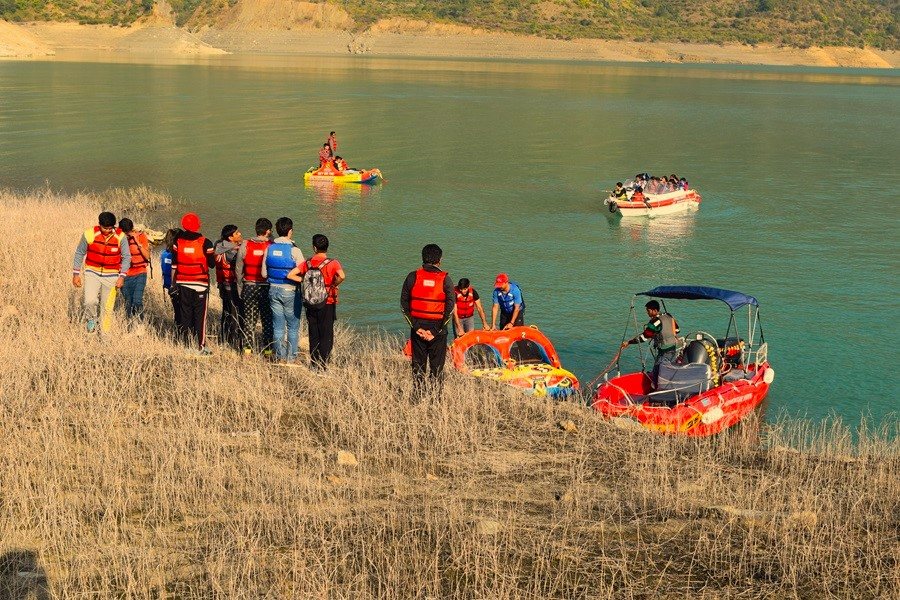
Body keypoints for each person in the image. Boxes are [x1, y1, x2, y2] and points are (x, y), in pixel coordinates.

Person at [400, 244, 454, 399]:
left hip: (418, 330)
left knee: (418, 366)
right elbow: (450, 308)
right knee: (437, 368)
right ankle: (435, 399)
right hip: (438, 331)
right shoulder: (446, 280)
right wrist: (435, 331)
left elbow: (404, 305)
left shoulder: (412, 277)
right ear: (440, 260)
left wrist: (416, 328)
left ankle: (418, 396)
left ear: (423, 258)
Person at [288, 233, 345, 369]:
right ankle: (323, 365)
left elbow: (290, 275)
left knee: (313, 333)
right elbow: (342, 276)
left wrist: (305, 281)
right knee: (326, 333)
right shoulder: (333, 263)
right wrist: (333, 284)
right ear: (327, 247)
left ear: (314, 248)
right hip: (328, 302)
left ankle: (314, 363)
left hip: (310, 302)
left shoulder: (307, 263)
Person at [72, 211, 130, 333]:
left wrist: (122, 277)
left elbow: (126, 257)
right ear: (99, 225)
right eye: (105, 228)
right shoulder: (89, 234)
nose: (108, 231)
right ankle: (91, 319)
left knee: (107, 307)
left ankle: (105, 334)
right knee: (90, 301)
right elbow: (79, 253)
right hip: (92, 272)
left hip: (112, 276)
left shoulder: (121, 237)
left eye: (110, 228)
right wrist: (76, 274)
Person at [171, 213, 215, 354]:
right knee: (200, 316)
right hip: (200, 284)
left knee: (185, 314)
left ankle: (186, 345)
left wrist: (173, 284)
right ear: (198, 225)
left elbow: (174, 264)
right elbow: (212, 264)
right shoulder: (205, 242)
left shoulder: (177, 242)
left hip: (182, 283)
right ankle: (200, 347)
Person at [263, 217, 305, 362]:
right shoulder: (295, 250)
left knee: (278, 326)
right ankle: (291, 358)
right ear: (290, 231)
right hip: (290, 291)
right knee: (292, 327)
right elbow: (302, 271)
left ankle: (279, 356)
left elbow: (264, 273)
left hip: (273, 289)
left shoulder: (269, 248)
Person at [621, 300, 680, 387]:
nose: (647, 313)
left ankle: (658, 390)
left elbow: (643, 337)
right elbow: (677, 330)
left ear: (655, 310)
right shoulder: (669, 316)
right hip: (673, 347)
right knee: (666, 369)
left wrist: (629, 342)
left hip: (665, 350)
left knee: (658, 371)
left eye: (648, 311)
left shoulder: (655, 322)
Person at [236, 218, 274, 357]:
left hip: (249, 286)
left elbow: (239, 268)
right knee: (267, 320)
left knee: (249, 320)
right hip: (266, 287)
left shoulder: (245, 244)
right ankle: (268, 351)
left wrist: (240, 287)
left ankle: (247, 351)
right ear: (268, 231)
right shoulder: (271, 245)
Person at [214, 224, 243, 350]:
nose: (240, 234)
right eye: (237, 233)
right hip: (232, 285)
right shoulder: (232, 252)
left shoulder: (219, 246)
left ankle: (224, 337)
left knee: (226, 311)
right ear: (231, 238)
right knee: (234, 312)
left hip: (222, 284)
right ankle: (232, 341)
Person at [119, 218, 150, 322]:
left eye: (128, 233)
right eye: (125, 233)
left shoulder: (141, 237)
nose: (127, 235)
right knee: (128, 302)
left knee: (137, 301)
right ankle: (130, 325)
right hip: (125, 275)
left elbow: (147, 256)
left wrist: (137, 242)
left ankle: (140, 325)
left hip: (140, 273)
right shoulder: (118, 239)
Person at [159, 228, 182, 327]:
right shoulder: (178, 254)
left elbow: (165, 270)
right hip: (178, 286)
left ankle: (178, 329)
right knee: (183, 311)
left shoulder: (164, 254)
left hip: (169, 286)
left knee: (177, 310)